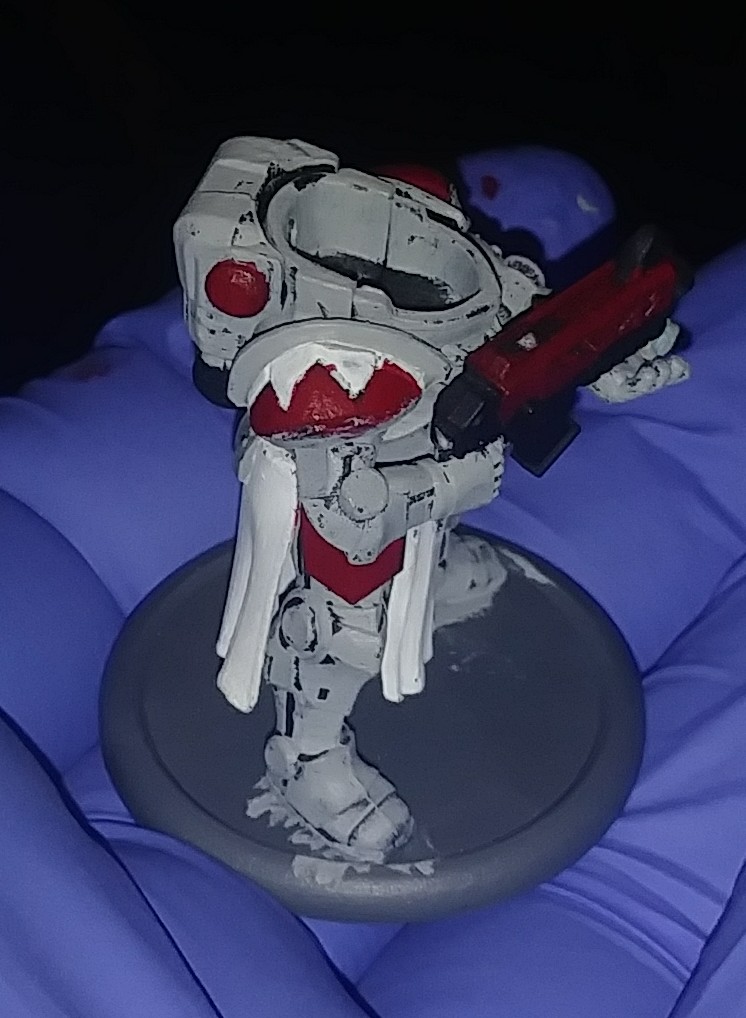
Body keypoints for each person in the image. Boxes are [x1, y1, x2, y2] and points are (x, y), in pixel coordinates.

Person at [2, 147, 746, 1016]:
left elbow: (542, 338)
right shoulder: (322, 370)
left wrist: (614, 353)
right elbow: (352, 501)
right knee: (339, 627)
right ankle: (308, 755)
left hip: (425, 467)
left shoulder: (477, 289)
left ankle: (425, 585)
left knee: (428, 546)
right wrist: (446, 479)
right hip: (348, 497)